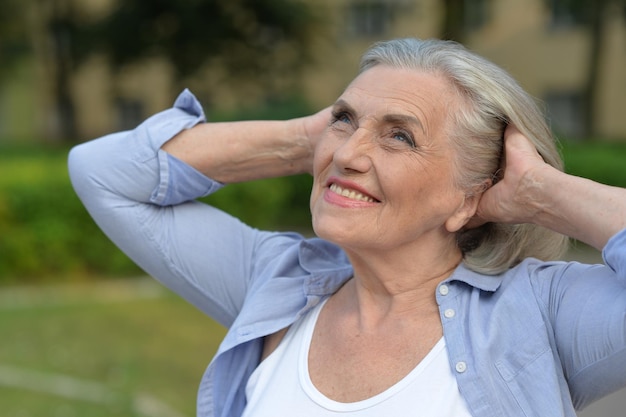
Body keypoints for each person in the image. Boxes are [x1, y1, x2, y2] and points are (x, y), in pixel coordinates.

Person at [68, 38, 626, 417]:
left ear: (470, 197)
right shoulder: (279, 282)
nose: (349, 154)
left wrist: (541, 192)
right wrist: (304, 140)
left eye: (399, 135)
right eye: (345, 119)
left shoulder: (539, 312)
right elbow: (102, 173)